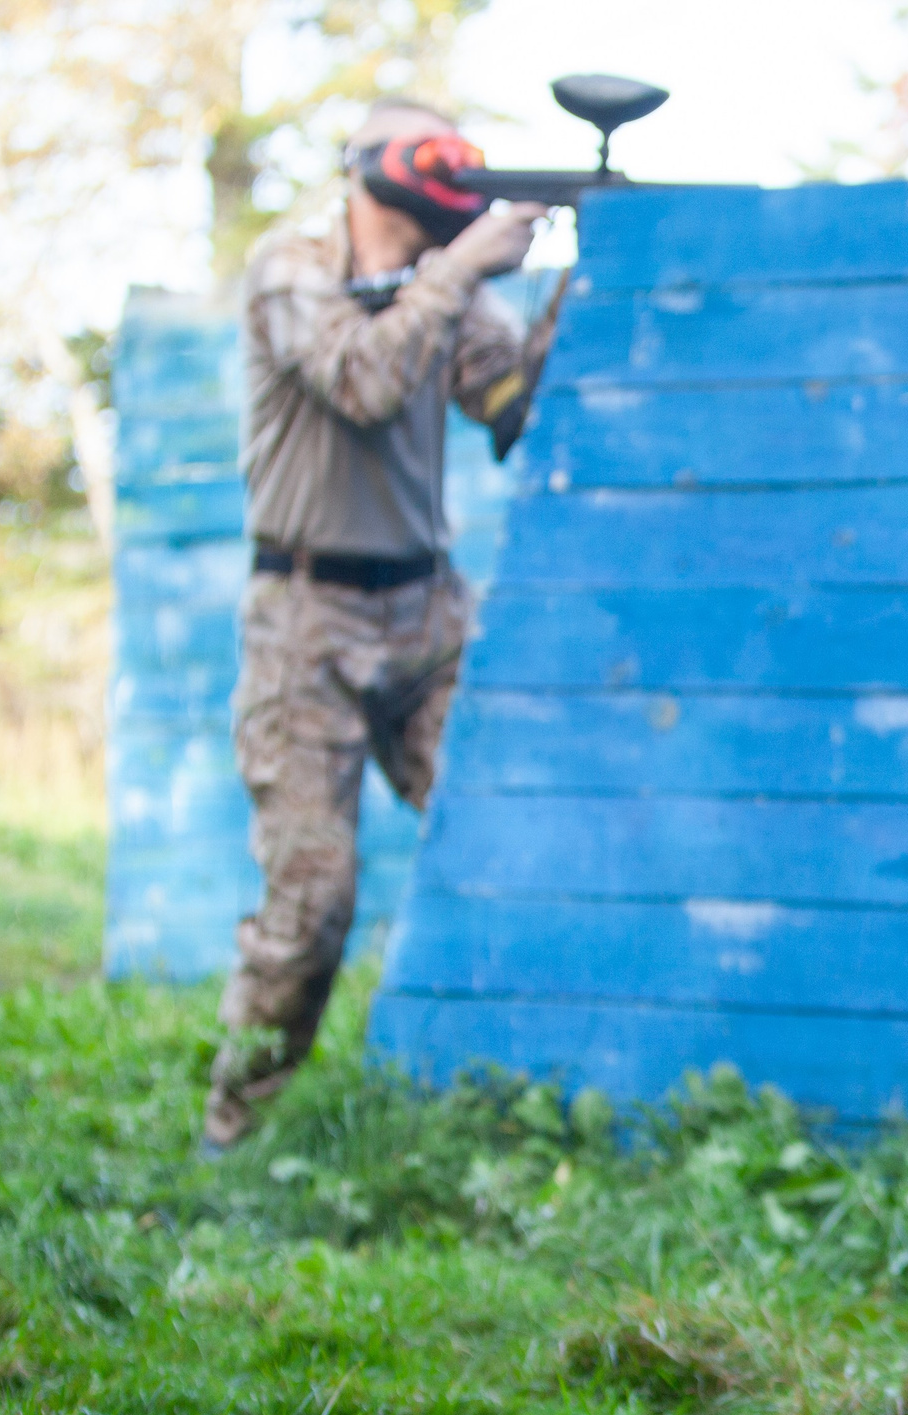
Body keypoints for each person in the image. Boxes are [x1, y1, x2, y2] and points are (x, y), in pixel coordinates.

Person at [204, 99, 556, 1147]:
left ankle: (509, 1112)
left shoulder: (445, 290)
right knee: (312, 904)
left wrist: (570, 297)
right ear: (373, 167)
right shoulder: (291, 266)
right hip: (304, 624)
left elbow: (507, 404)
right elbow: (361, 377)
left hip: (425, 616)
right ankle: (233, 1131)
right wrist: (460, 269)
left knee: (504, 836)